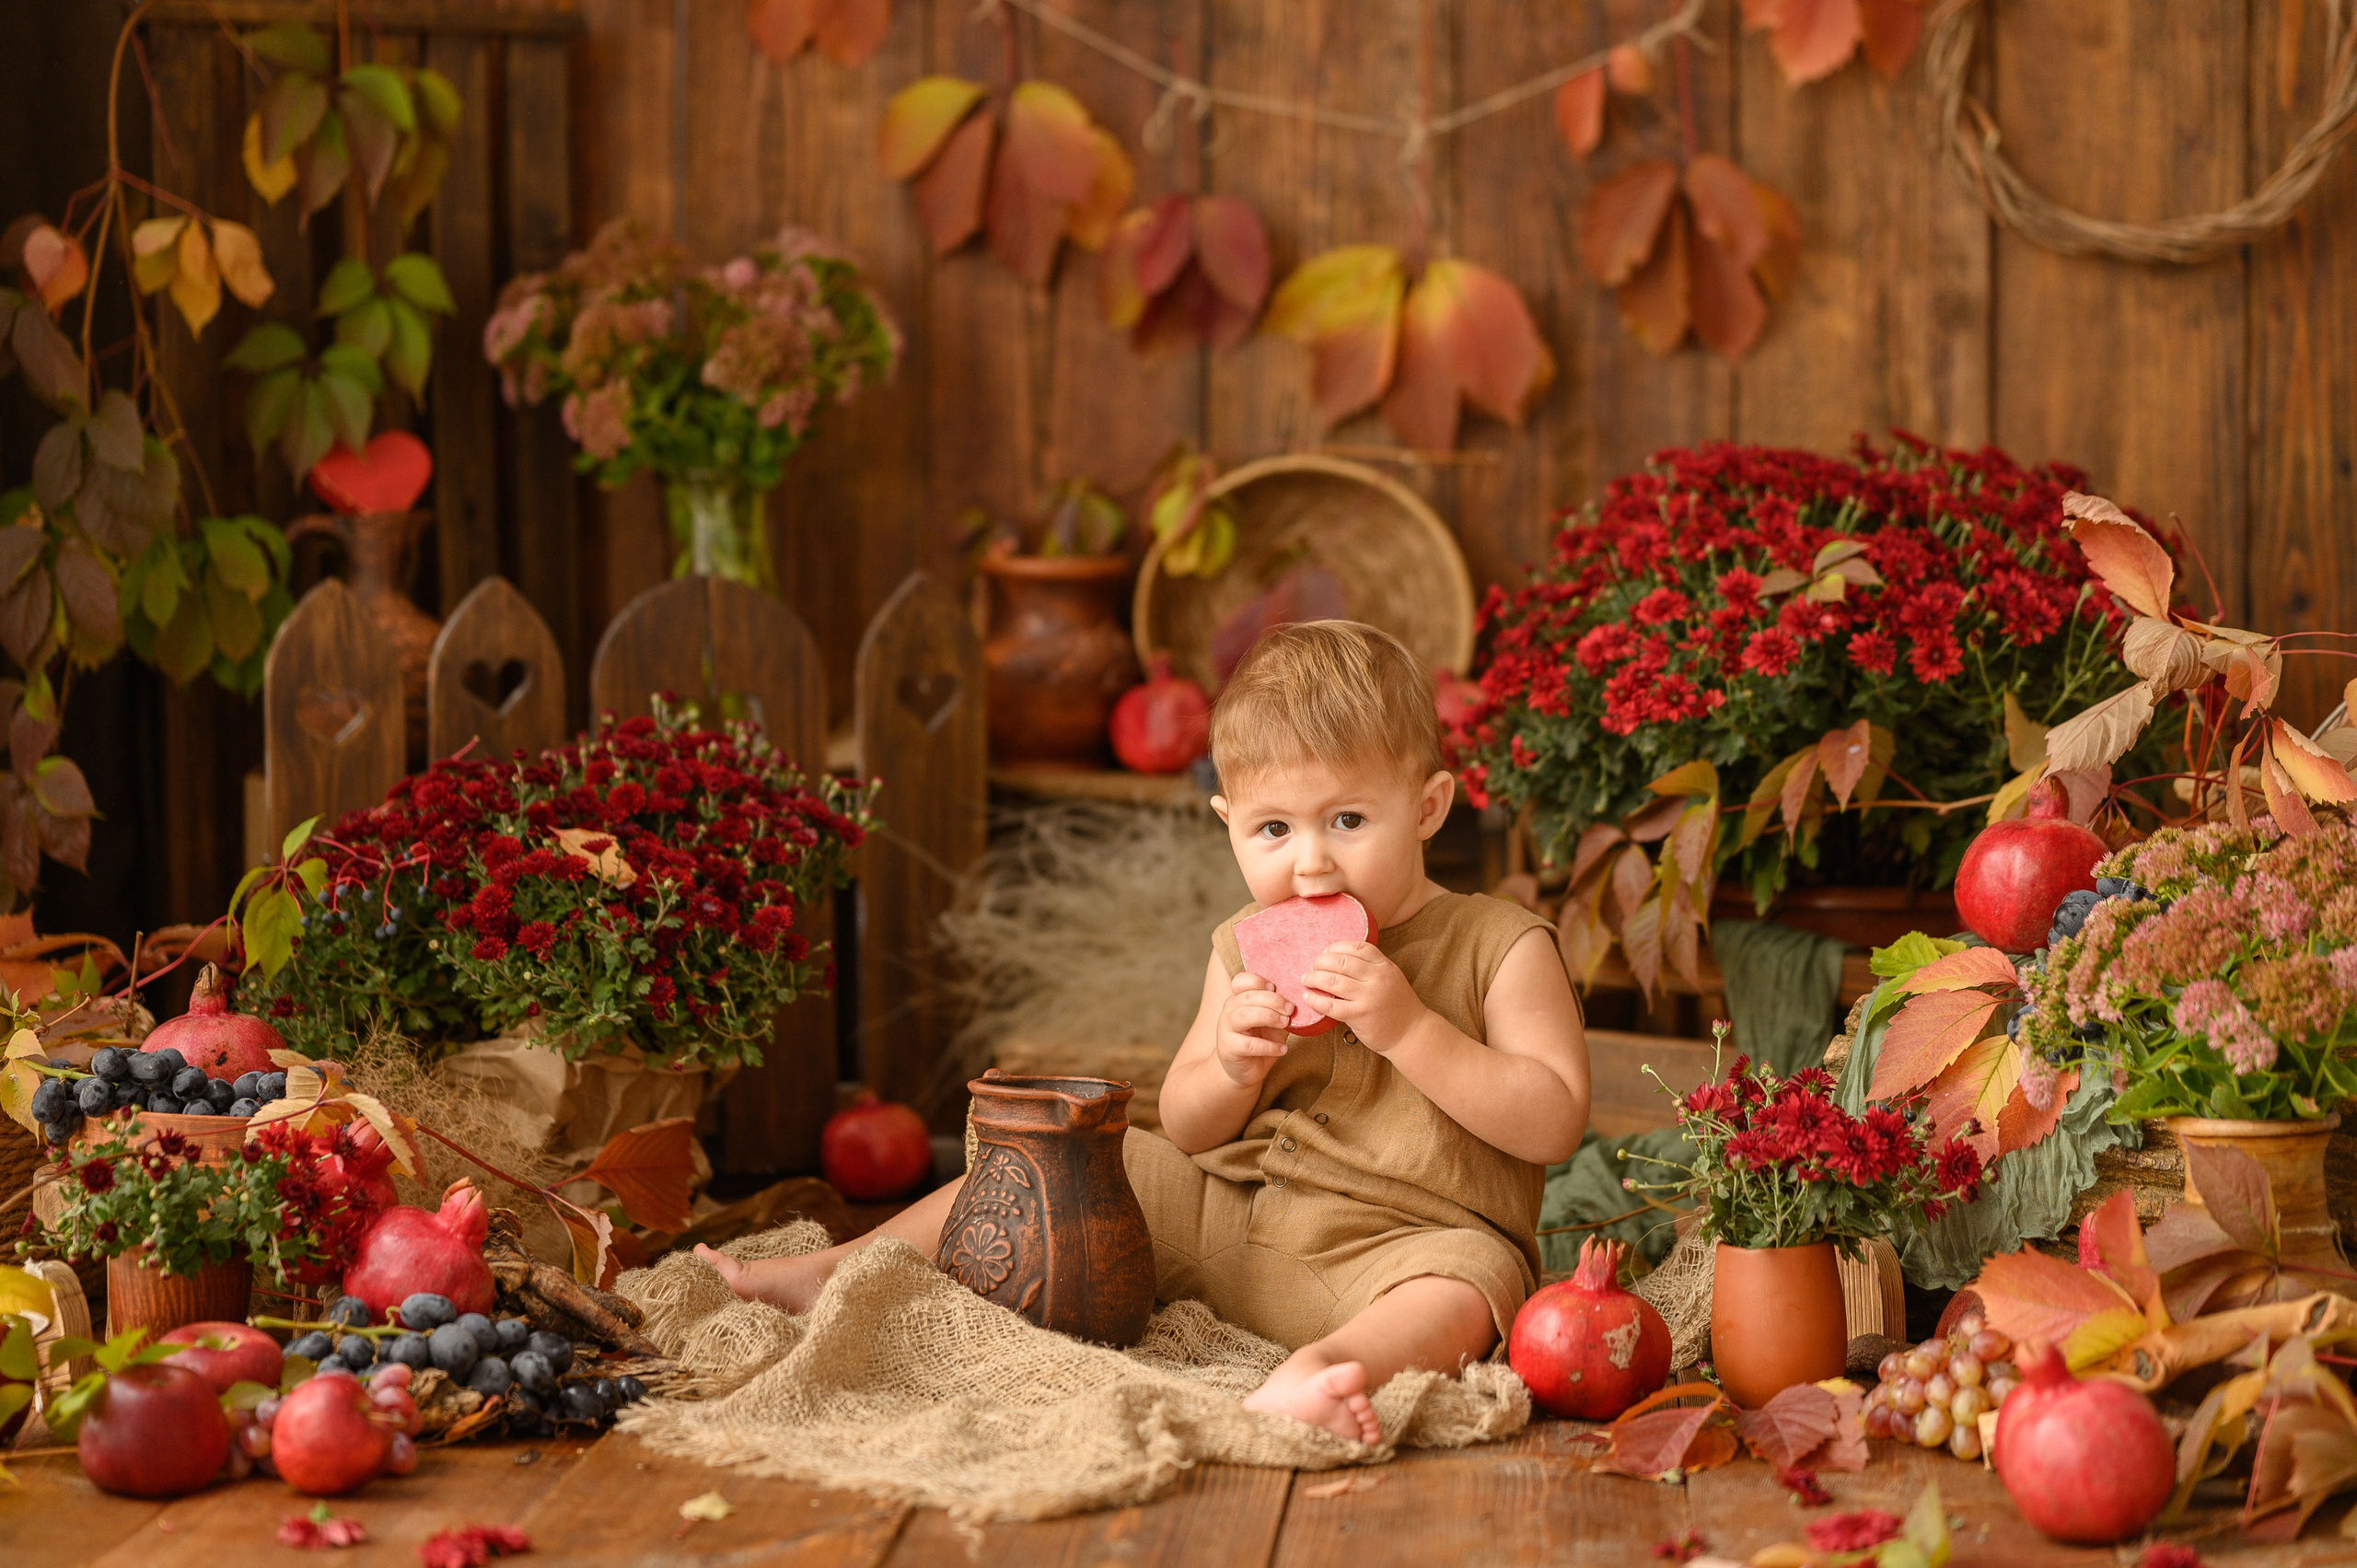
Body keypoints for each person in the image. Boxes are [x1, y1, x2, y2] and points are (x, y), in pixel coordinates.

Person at [698, 620, 1590, 1443]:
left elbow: (1552, 1118)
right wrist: (1232, 1064)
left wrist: (1409, 1028)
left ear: (1429, 807)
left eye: (1348, 820)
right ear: (1227, 823)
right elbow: (1190, 1121)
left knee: (1473, 1282)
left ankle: (1325, 1370)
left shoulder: (1498, 944)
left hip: (1400, 1247)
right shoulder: (1245, 947)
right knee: (1065, 1160)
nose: (1310, 860)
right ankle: (842, 1267)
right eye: (1273, 827)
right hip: (1237, 1223)